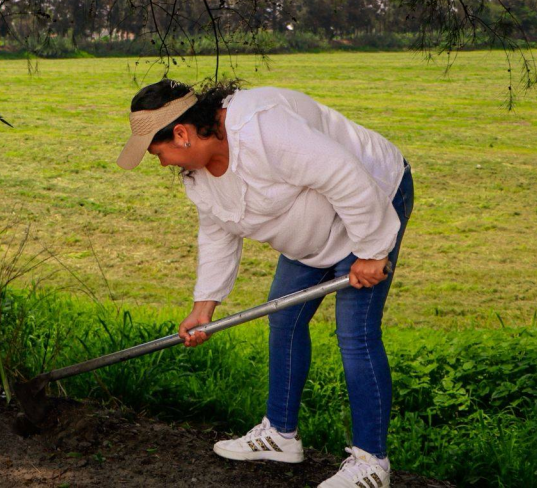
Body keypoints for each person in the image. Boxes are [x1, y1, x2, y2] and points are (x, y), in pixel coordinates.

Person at [117, 79, 413, 488]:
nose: (163, 163)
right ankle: (280, 435)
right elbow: (218, 231)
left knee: (355, 334)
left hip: (371, 197)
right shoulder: (198, 174)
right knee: (284, 316)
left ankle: (371, 462)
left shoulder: (260, 127)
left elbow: (343, 174)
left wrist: (373, 249)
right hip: (310, 224)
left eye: (159, 151)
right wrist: (204, 306)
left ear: (182, 134)